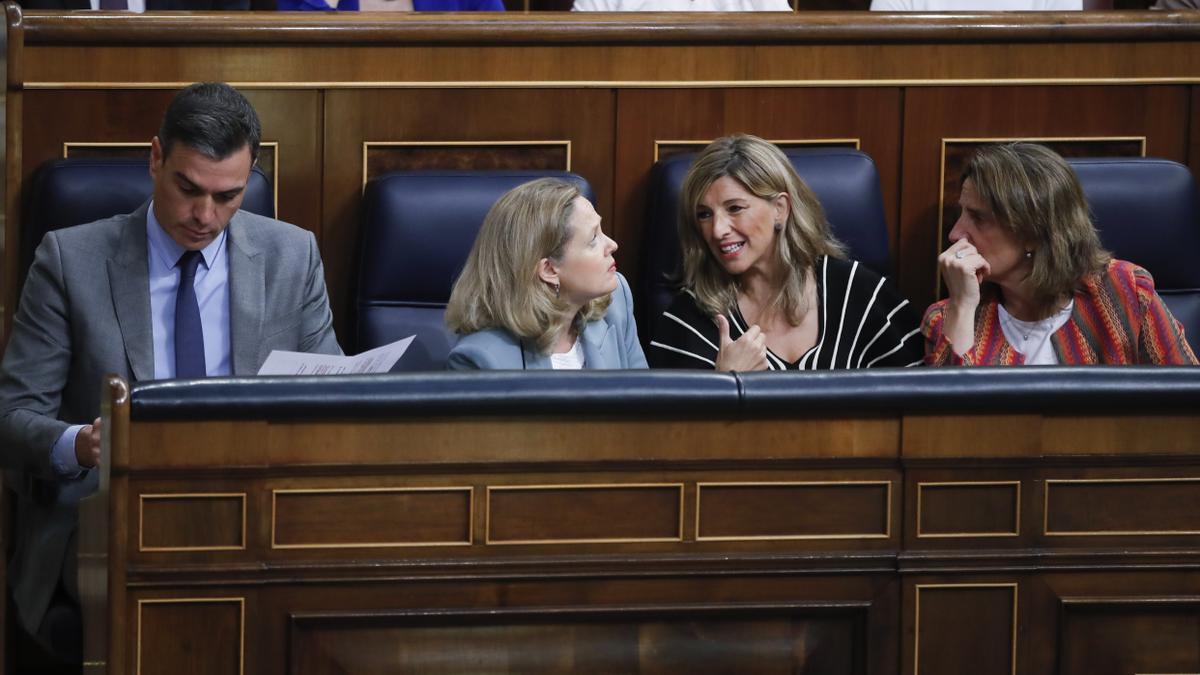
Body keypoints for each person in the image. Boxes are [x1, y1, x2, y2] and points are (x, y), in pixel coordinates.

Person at [0, 82, 342, 662]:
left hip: (257, 504)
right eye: (188, 189)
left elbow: (333, 390)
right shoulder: (70, 259)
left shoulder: (292, 255)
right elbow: (11, 417)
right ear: (155, 158)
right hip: (113, 510)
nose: (205, 216)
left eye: (228, 196)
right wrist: (80, 444)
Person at [649, 134, 923, 371]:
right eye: (704, 214)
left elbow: (916, 403)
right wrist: (725, 384)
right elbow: (673, 430)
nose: (717, 230)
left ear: (780, 209)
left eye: (735, 208)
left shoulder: (858, 293)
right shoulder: (690, 319)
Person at [923, 142, 1197, 366]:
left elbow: (1184, 402)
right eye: (961, 213)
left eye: (978, 218)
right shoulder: (947, 319)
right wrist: (962, 305)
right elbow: (946, 424)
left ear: (1032, 233)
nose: (956, 235)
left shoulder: (1127, 291)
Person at [445, 178, 647, 370]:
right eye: (593, 238)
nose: (613, 245)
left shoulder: (616, 302)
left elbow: (644, 401)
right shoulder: (481, 360)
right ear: (549, 270)